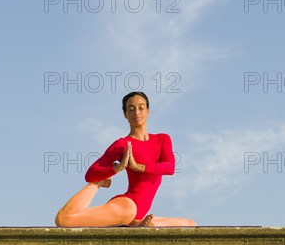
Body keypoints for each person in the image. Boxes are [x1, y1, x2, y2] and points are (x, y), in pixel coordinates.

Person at [55, 91, 197, 227]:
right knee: (64, 220)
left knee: (190, 224)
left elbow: (169, 167)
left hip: (141, 214)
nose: (136, 113)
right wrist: (118, 168)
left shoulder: (162, 139)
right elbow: (90, 174)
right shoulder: (122, 144)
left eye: (141, 108)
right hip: (126, 206)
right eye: (131, 109)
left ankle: (144, 225)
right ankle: (98, 185)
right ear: (125, 114)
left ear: (148, 110)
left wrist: (138, 167)